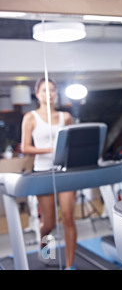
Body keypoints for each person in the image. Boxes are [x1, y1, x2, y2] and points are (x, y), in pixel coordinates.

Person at [21, 77, 77, 270]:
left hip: (64, 171)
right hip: (42, 172)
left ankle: (70, 266)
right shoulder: (30, 117)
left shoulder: (66, 117)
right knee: (49, 224)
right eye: (45, 90)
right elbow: (26, 147)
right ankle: (45, 247)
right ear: (37, 94)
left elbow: (72, 144)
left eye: (53, 90)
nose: (50, 94)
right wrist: (52, 149)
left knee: (69, 218)